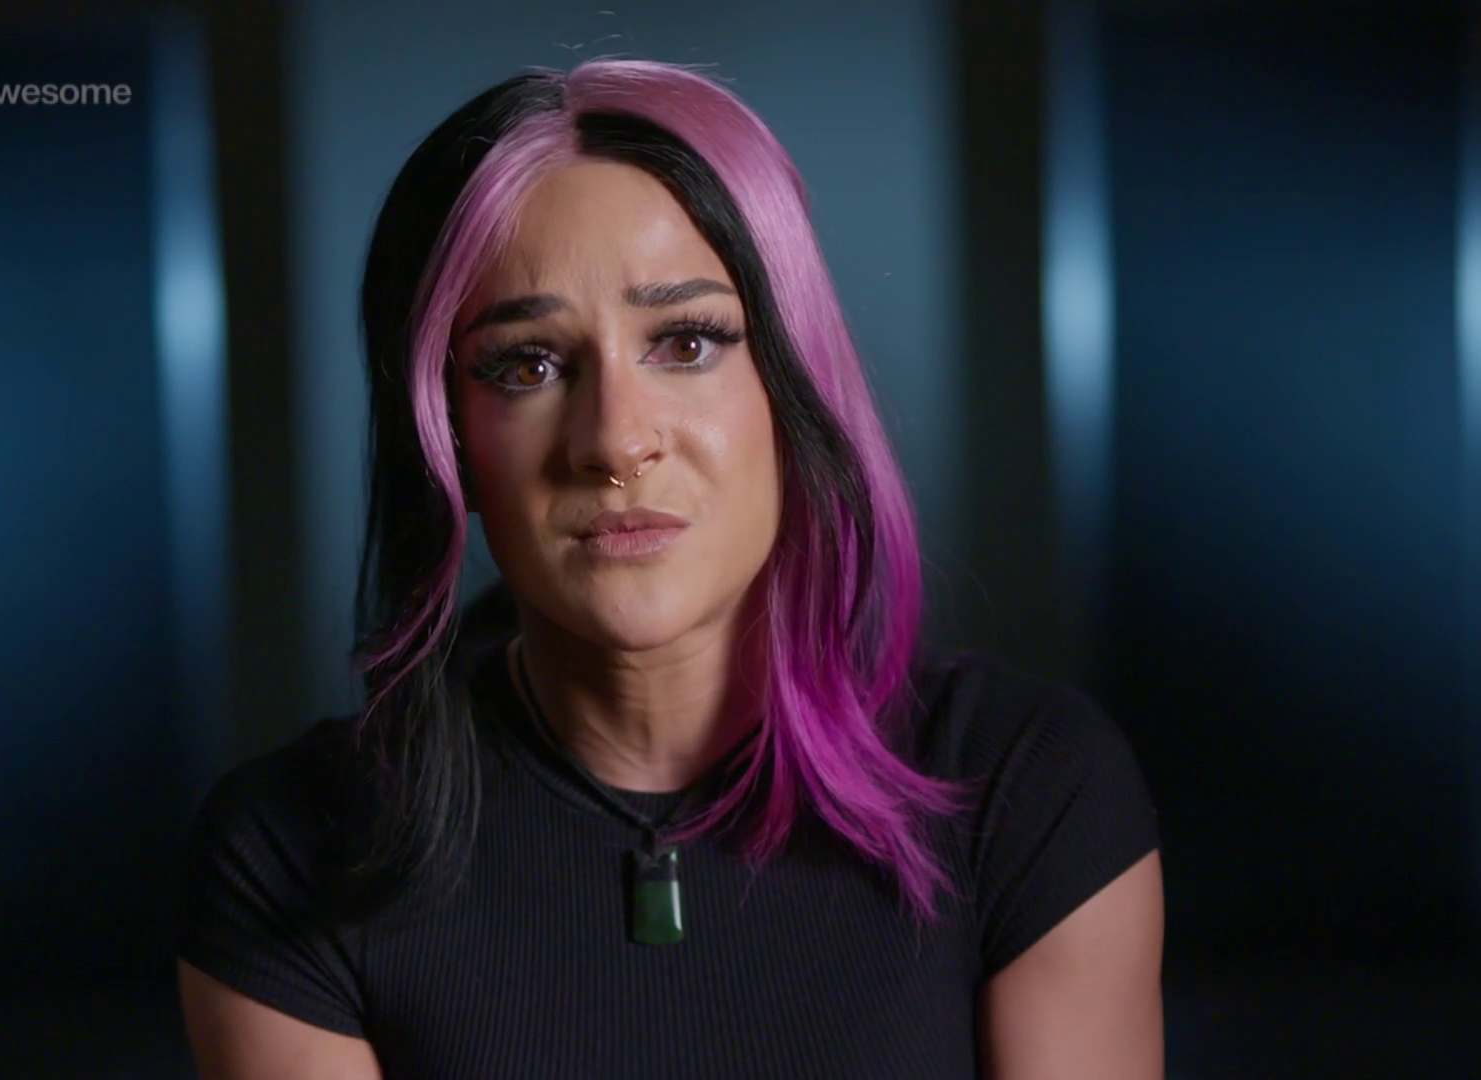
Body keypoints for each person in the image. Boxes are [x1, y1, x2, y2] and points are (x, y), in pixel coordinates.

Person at [176, 58, 1164, 1079]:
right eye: (529, 365)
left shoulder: (1031, 793)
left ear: (794, 383)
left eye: (686, 342)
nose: (615, 440)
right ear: (449, 437)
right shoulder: (287, 853)